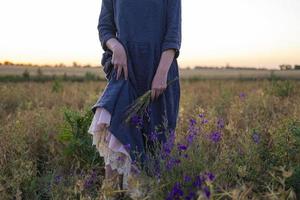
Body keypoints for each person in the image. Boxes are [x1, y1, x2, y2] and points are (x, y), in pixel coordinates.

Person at [88, 0, 181, 199]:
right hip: (125, 72)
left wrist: (162, 73)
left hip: (159, 74)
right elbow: (105, 27)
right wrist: (116, 47)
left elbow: (173, 35)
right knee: (117, 138)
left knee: (153, 152)